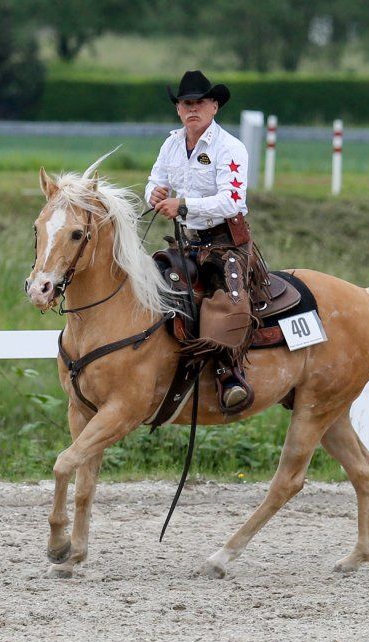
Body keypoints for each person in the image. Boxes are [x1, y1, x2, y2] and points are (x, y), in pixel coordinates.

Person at [145, 70, 262, 412]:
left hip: (226, 243)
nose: (192, 108)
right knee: (152, 286)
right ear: (178, 109)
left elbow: (233, 201)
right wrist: (154, 194)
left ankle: (229, 374)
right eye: (186, 103)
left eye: (199, 102)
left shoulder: (230, 147)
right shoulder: (171, 144)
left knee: (226, 301)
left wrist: (183, 205)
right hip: (186, 241)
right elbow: (155, 179)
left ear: (214, 106)